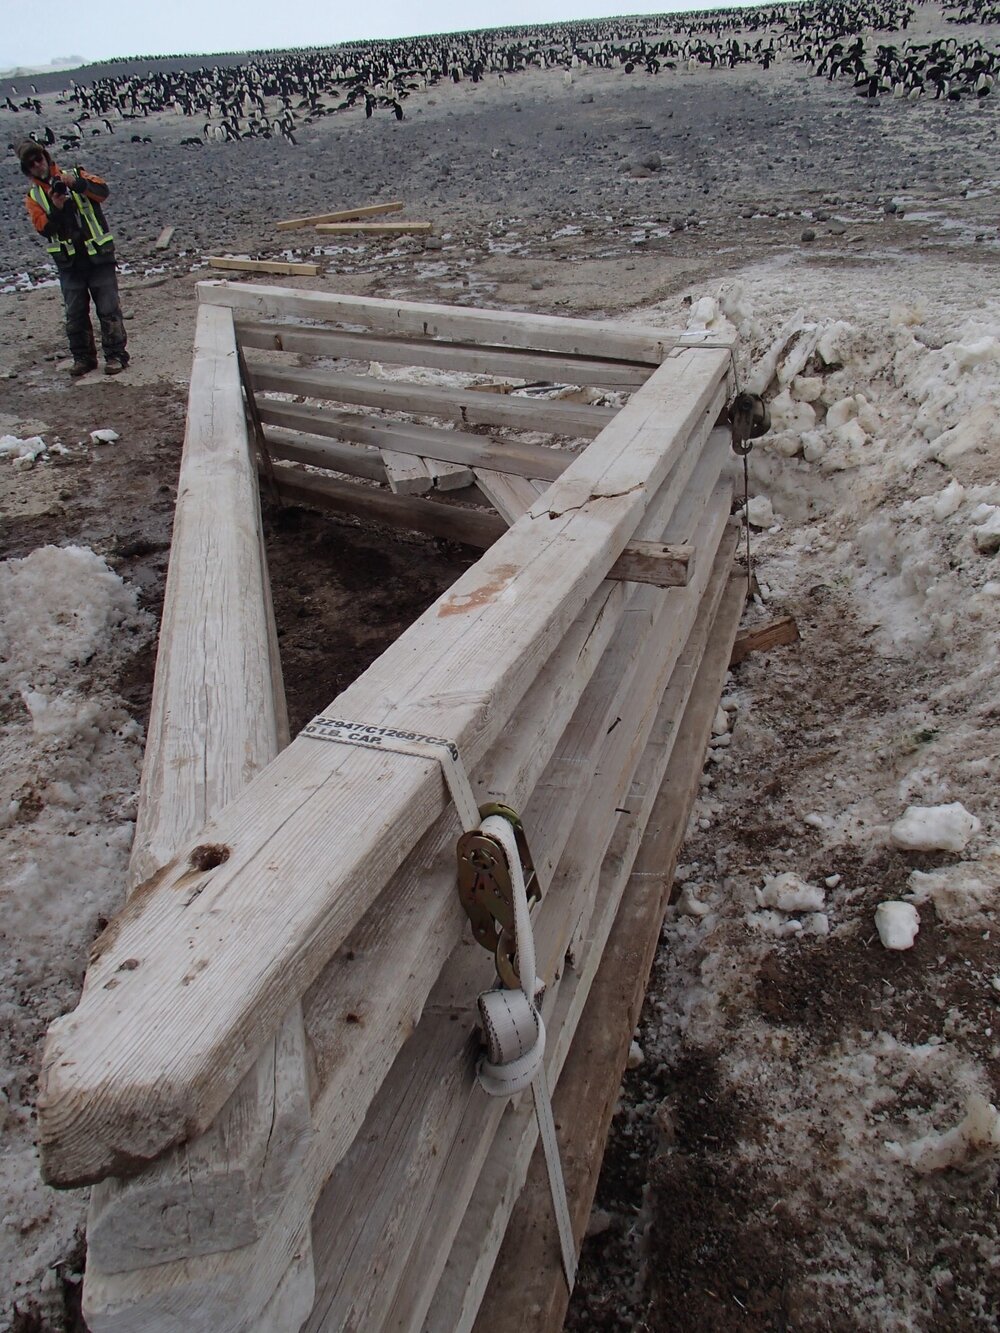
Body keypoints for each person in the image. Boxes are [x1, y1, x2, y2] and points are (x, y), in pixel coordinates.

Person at [17, 140, 129, 377]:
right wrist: (56, 209)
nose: (38, 164)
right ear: (27, 170)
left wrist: (76, 184)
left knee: (109, 309)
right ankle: (83, 358)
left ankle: (116, 356)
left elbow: (102, 192)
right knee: (75, 314)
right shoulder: (34, 197)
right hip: (69, 263)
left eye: (39, 158)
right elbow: (43, 229)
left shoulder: (75, 174)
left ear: (46, 157)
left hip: (98, 255)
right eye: (32, 164)